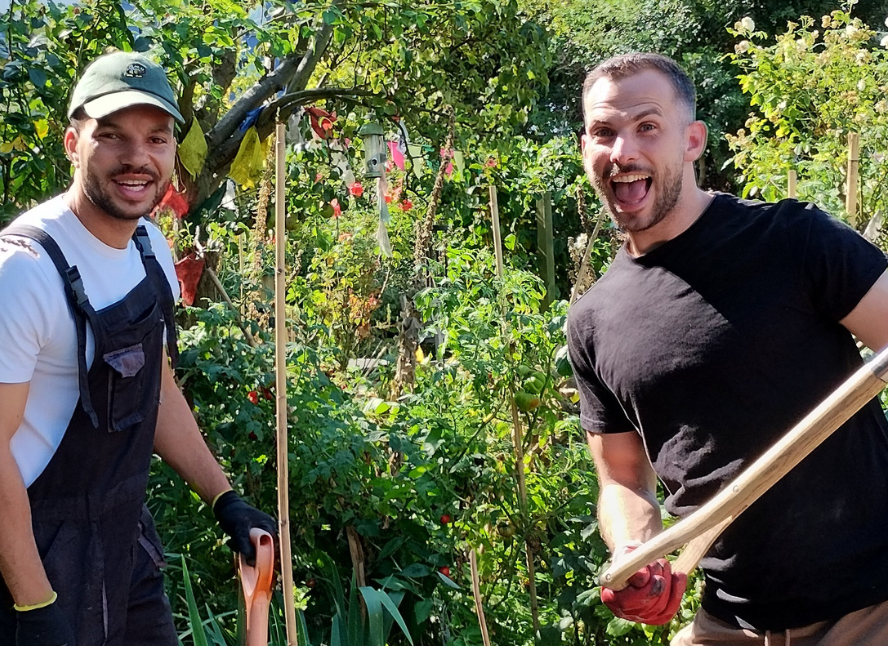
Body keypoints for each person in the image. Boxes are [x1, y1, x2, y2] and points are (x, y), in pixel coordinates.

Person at [567, 52, 888, 645]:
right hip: (732, 620)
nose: (623, 152)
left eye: (647, 126)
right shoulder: (592, 320)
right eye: (603, 132)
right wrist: (638, 550)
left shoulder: (792, 239)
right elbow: (621, 479)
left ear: (692, 141)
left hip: (869, 607)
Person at [0, 51, 277, 646]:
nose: (137, 158)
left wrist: (223, 497)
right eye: (112, 136)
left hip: (122, 545)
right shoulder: (24, 272)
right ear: (73, 143)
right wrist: (33, 605)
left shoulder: (149, 246)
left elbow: (155, 389)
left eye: (156, 138)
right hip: (27, 556)